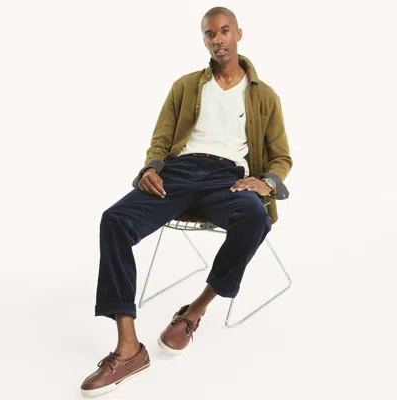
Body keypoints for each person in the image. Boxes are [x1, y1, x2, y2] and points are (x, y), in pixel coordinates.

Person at [80, 6, 293, 397]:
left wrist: (266, 182)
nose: (218, 39)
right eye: (210, 34)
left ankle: (196, 310)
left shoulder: (264, 96)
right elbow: (161, 140)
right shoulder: (185, 86)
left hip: (228, 179)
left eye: (224, 31)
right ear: (204, 40)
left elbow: (281, 156)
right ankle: (128, 348)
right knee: (114, 220)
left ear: (238, 34)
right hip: (179, 174)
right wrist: (150, 168)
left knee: (255, 219)